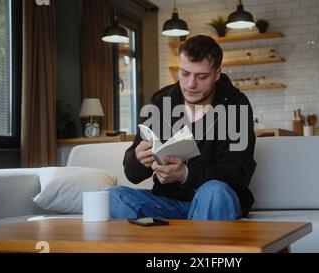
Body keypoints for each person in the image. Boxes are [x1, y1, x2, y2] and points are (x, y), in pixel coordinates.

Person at [108, 35, 256, 220]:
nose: (190, 84)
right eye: (184, 73)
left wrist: (186, 174)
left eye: (201, 76)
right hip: (167, 202)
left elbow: (239, 172)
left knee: (214, 192)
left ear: (217, 73)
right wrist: (138, 159)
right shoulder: (162, 102)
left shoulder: (236, 105)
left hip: (213, 200)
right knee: (112, 197)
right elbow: (132, 175)